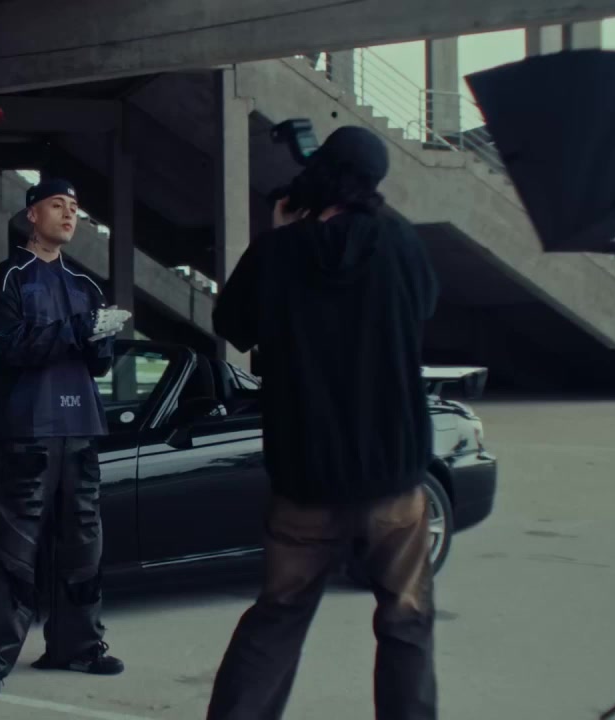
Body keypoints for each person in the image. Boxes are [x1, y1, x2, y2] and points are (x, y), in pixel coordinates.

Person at [206, 126, 441, 720]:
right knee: (406, 620)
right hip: (392, 474)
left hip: (305, 477)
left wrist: (280, 233)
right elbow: (424, 310)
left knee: (278, 616)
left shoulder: (278, 252)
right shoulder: (402, 243)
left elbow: (231, 323)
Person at [0, 178, 131, 699]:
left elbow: (97, 365)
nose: (69, 214)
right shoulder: (6, 279)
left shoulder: (87, 286)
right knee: (12, 547)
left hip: (81, 429)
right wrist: (80, 330)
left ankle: (78, 647)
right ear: (32, 214)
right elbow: (11, 347)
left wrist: (103, 337)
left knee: (83, 545)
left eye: (75, 207)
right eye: (58, 205)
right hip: (26, 431)